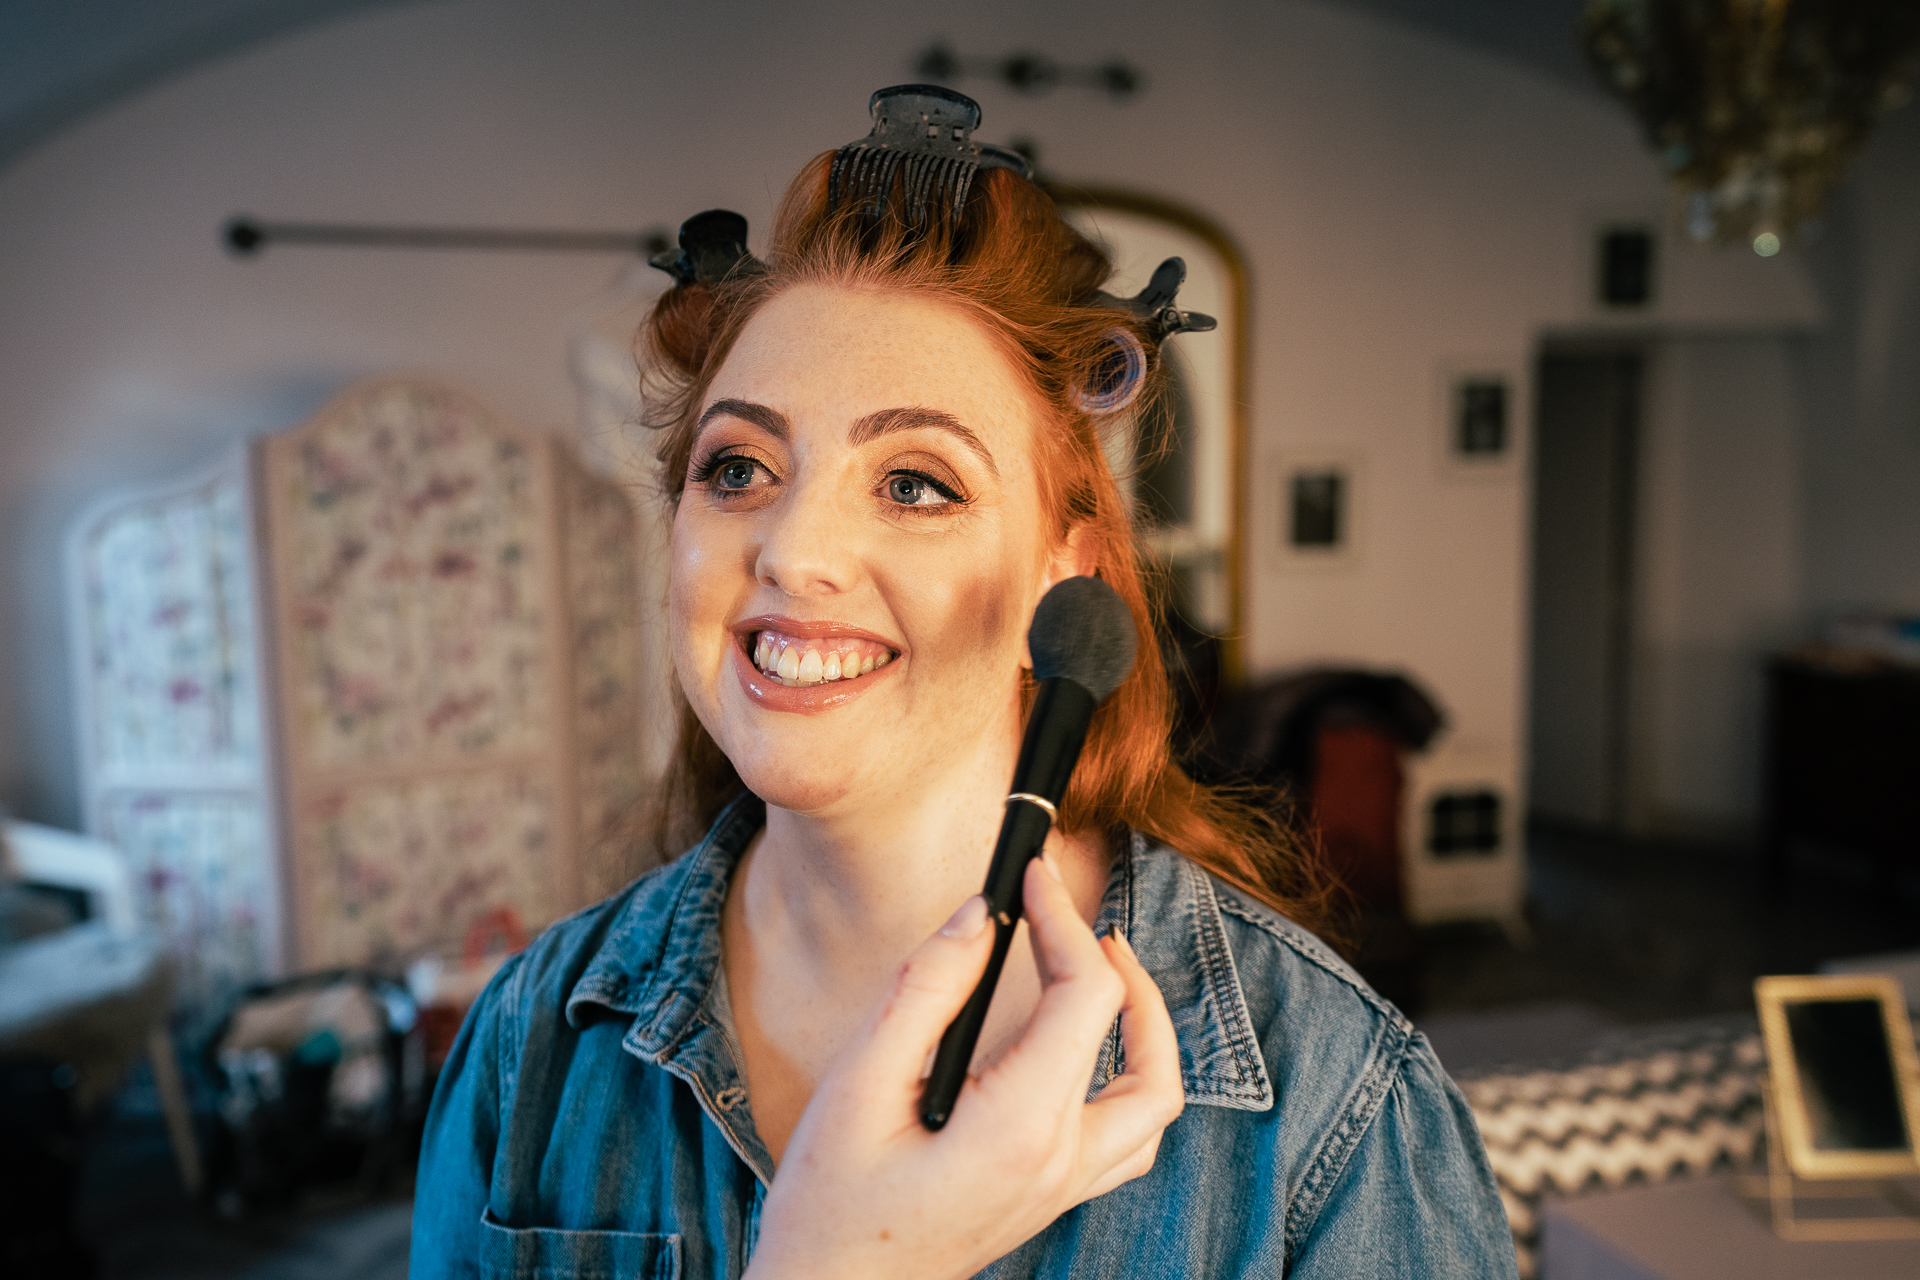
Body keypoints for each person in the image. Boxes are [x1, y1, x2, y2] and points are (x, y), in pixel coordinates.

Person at [412, 86, 1517, 1279]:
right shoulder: (527, 1048)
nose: (793, 550)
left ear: (1067, 570)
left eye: (917, 482)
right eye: (737, 466)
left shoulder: (1337, 1111)